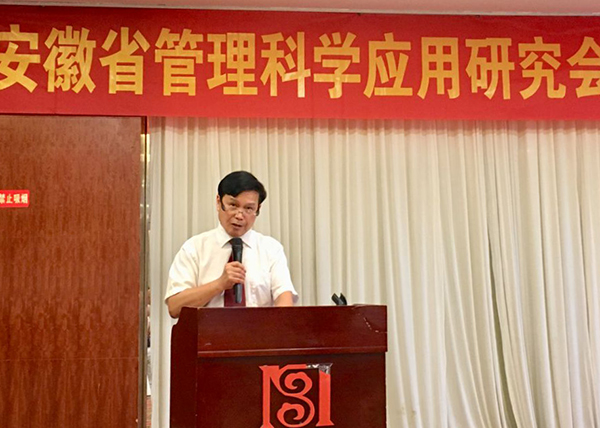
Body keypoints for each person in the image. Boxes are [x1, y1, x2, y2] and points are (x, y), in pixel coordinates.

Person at [165, 171, 297, 318]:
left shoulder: (271, 249)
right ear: (218, 202)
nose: (239, 215)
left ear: (258, 209)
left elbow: (284, 300)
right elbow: (175, 307)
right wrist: (220, 284)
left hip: (258, 332)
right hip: (208, 332)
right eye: (233, 205)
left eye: (248, 208)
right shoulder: (194, 248)